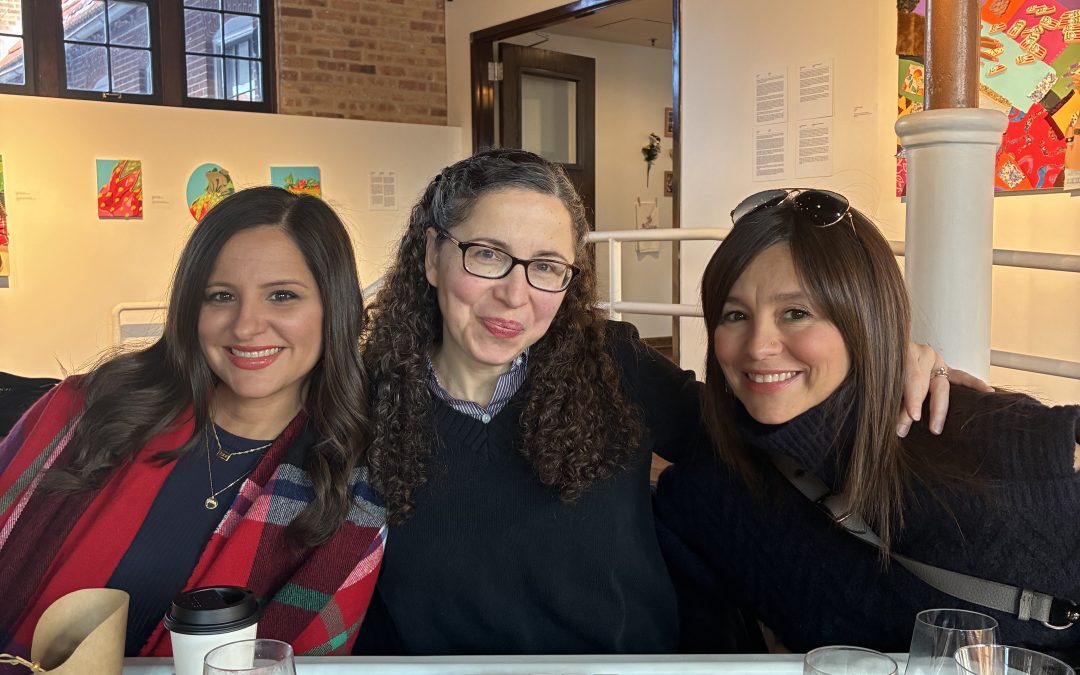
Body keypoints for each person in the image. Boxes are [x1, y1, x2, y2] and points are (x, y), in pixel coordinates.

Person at [354, 150, 972, 655]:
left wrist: (883, 366)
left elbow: (757, 419)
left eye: (546, 266)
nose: (515, 295)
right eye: (487, 254)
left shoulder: (610, 366)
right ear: (434, 256)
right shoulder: (359, 402)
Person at [654, 188, 1080, 655]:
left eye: (795, 313)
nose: (758, 346)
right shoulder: (710, 499)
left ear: (865, 319)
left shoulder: (1000, 440)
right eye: (735, 315)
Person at [0, 187, 386, 660]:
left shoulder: (353, 487)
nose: (246, 326)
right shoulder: (85, 410)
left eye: (282, 296)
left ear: (335, 308)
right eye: (221, 296)